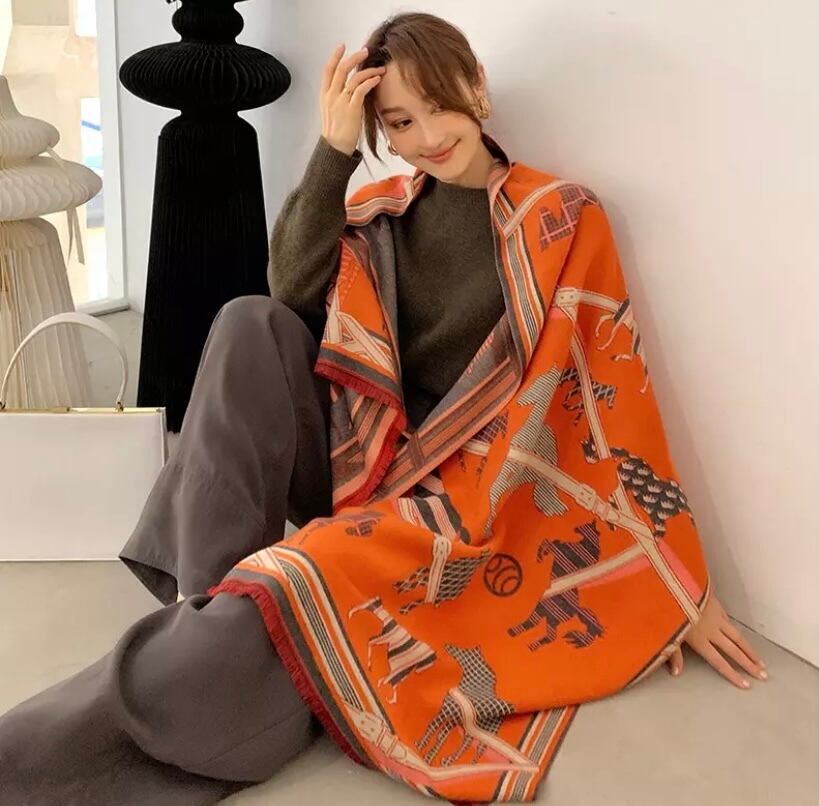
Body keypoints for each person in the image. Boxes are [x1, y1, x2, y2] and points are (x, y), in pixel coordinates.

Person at [0, 12, 767, 805]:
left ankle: (148, 688)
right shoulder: (382, 211)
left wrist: (674, 579)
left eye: (439, 106)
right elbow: (288, 288)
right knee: (248, 321)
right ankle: (211, 600)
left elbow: (609, 397)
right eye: (399, 122)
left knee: (285, 603)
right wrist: (333, 151)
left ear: (477, 87)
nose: (428, 136)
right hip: (359, 452)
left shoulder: (558, 218)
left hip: (460, 493)